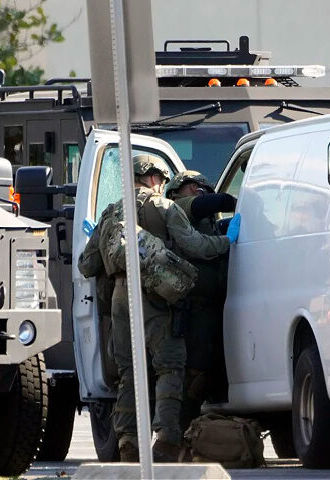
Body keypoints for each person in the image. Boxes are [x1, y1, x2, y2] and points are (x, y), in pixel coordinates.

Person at [100, 154, 241, 463]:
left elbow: (88, 263)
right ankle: (166, 440)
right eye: (162, 181)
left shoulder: (111, 212)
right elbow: (195, 246)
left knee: (128, 373)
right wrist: (225, 242)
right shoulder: (165, 207)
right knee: (170, 367)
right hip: (155, 294)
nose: (162, 185)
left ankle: (127, 442)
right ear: (153, 178)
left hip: (121, 297)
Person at [164, 171, 237, 431]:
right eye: (192, 186)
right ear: (175, 191)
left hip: (216, 306)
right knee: (194, 376)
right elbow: (209, 203)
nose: (198, 191)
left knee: (213, 371)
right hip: (194, 308)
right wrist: (238, 200)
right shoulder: (177, 208)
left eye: (202, 187)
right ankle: (181, 434)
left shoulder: (208, 223)